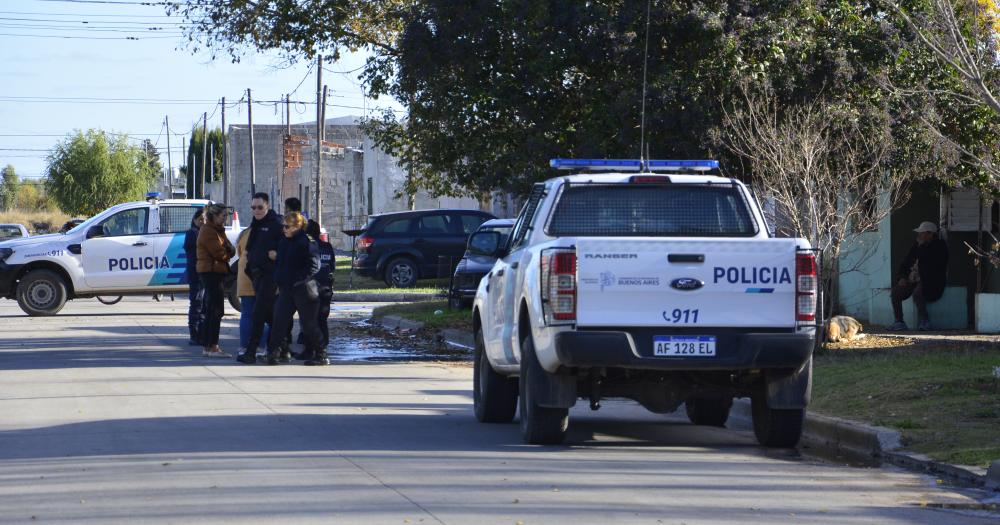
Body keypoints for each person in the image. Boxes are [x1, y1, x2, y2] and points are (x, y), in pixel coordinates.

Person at [267, 212, 326, 366]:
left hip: (304, 289)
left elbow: (314, 265)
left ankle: (320, 354)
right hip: (286, 288)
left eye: (287, 226)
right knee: (279, 320)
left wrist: (299, 280)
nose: (284, 229)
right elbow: (282, 263)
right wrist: (278, 280)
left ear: (298, 226)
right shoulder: (285, 241)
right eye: (283, 226)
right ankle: (273, 353)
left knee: (308, 324)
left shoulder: (306, 242)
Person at [238, 193, 284, 365]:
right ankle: (279, 349)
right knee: (271, 316)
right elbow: (250, 248)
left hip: (269, 276)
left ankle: (252, 351)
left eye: (260, 207)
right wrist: (250, 263)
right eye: (253, 207)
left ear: (267, 206)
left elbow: (286, 249)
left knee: (258, 315)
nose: (256, 211)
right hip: (256, 275)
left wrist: (276, 255)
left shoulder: (276, 225)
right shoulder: (256, 224)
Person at [889, 221, 949, 331]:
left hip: (930, 280)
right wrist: (902, 277)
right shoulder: (917, 245)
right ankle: (899, 322)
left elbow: (930, 265)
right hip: (913, 279)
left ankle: (925, 321)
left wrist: (921, 248)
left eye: (922, 233)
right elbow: (906, 262)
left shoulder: (939, 246)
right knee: (896, 292)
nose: (919, 235)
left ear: (930, 234)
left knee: (918, 292)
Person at [197, 204, 235, 357]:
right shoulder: (208, 231)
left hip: (215, 271)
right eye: (223, 216)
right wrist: (228, 251)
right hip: (211, 272)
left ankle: (209, 345)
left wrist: (228, 249)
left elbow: (230, 248)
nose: (226, 218)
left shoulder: (217, 230)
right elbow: (221, 253)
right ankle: (212, 346)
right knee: (215, 310)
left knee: (214, 310)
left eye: (227, 216)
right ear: (214, 216)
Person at [295, 220, 334, 361]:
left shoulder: (309, 246)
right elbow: (332, 266)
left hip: (312, 288)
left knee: (309, 320)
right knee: (321, 319)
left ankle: (311, 350)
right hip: (326, 287)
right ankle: (321, 347)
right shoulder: (327, 246)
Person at [183, 208, 205, 346]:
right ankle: (194, 333)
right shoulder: (193, 233)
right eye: (200, 219)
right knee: (196, 303)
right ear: (195, 220)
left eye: (204, 219)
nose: (202, 222)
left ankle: (200, 333)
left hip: (201, 273)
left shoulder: (201, 232)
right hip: (196, 273)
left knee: (202, 304)